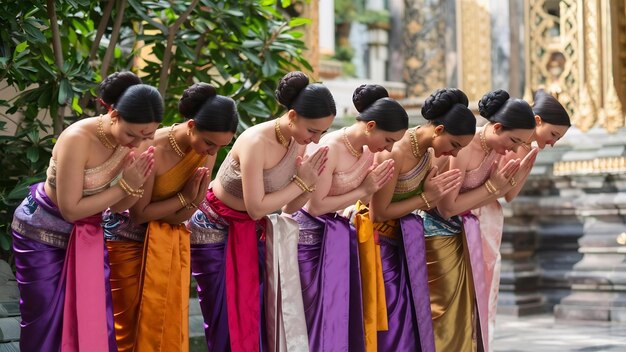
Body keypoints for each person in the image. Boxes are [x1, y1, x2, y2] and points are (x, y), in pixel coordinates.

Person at [11, 71, 162, 351]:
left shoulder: (140, 141)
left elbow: (118, 207)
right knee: (45, 319)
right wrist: (126, 186)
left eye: (148, 135)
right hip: (41, 232)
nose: (137, 144)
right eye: (130, 134)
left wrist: (134, 187)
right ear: (113, 114)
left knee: (92, 317)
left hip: (89, 234)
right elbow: (71, 210)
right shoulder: (78, 138)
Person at [188, 71, 335, 352]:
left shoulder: (299, 143)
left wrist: (310, 182)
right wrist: (301, 182)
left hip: (252, 233)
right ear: (292, 116)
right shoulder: (257, 141)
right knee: (225, 319)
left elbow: (291, 206)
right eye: (312, 131)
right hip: (213, 230)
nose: (316, 140)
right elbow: (256, 208)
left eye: (323, 133)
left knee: (258, 315)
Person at [103, 82, 238, 351]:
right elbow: (140, 213)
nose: (212, 152)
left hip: (168, 241)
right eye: (210, 143)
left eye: (221, 147)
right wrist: (184, 200)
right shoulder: (152, 148)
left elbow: (190, 208)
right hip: (125, 241)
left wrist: (187, 204)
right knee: (129, 329)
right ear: (191, 125)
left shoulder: (206, 149)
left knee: (167, 323)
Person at [292, 84, 407, 352]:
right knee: (315, 315)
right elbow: (315, 206)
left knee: (340, 314)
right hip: (309, 240)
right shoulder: (330, 147)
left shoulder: (370, 151)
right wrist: (363, 191)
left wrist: (360, 200)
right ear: (371, 125)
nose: (389, 147)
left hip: (340, 235)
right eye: (388, 140)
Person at [426, 89, 538, 352]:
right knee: (449, 315)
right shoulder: (464, 147)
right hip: (439, 234)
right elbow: (446, 209)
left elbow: (506, 194)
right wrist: (492, 189)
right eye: (514, 140)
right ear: (496, 127)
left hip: (472, 232)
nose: (514, 149)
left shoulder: (498, 149)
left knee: (477, 309)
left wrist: (522, 170)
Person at [367, 88, 476, 351]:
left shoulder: (429, 153)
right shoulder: (395, 153)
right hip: (376, 245)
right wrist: (427, 199)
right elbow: (377, 213)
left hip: (405, 244)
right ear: (438, 130)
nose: (453, 155)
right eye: (454, 145)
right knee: (388, 322)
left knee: (409, 322)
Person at [473, 89, 570, 351]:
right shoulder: (501, 142)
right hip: (472, 215)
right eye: (553, 135)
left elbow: (511, 195)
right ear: (537, 121)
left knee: (487, 287)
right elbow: (494, 188)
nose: (552, 142)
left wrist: (526, 165)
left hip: (490, 218)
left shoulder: (526, 149)